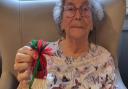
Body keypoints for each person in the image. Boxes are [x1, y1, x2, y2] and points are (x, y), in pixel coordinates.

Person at [14, 0, 117, 89]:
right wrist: (25, 79)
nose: (78, 16)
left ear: (92, 23)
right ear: (61, 21)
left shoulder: (104, 59)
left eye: (85, 9)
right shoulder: (41, 54)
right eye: (71, 9)